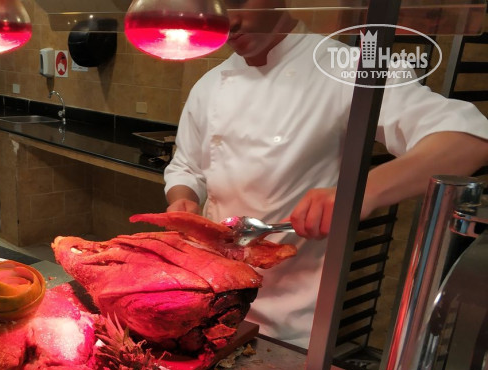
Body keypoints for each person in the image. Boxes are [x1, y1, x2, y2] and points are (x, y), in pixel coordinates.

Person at [164, 2, 488, 349]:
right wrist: (183, 198)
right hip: (210, 302)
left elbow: (468, 139)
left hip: (288, 319)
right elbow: (186, 166)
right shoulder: (210, 84)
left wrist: (363, 191)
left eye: (239, 1)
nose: (229, 21)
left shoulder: (347, 67)